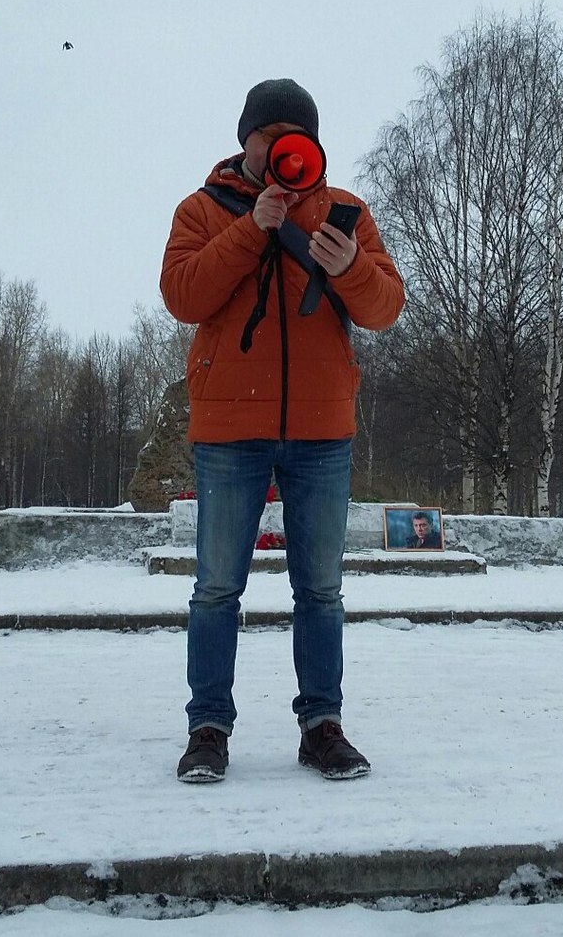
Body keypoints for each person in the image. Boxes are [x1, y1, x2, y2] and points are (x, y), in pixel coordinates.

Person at [161, 78, 405, 782]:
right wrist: (251, 229)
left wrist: (349, 267)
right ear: (246, 140)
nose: (281, 153)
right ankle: (208, 729)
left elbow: (385, 307)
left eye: (296, 140)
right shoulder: (202, 209)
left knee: (321, 590)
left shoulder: (346, 213)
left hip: (321, 431)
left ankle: (322, 726)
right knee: (216, 589)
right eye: (269, 139)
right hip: (228, 428)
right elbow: (183, 295)